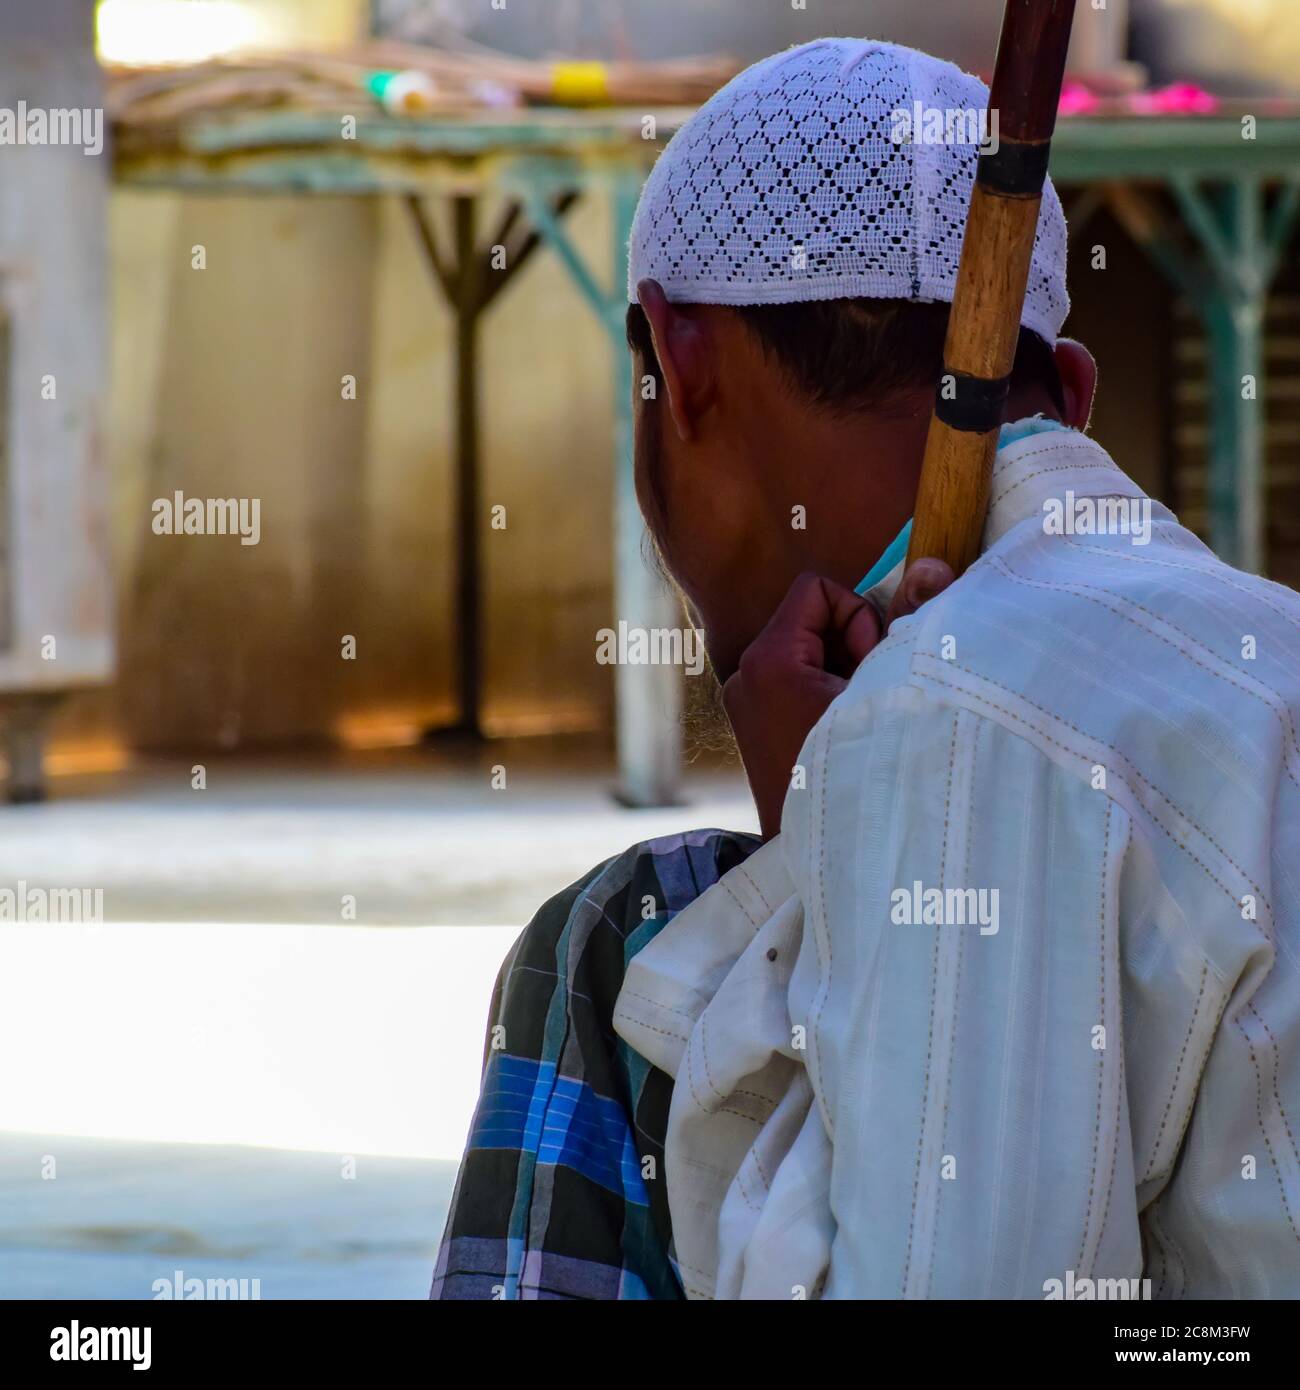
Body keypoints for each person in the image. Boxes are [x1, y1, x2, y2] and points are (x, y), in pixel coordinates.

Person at [433, 37, 1300, 1300]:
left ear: (681, 372)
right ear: (1072, 390)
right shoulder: (1262, 636)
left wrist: (821, 838)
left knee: (608, 941)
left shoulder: (944, 721)